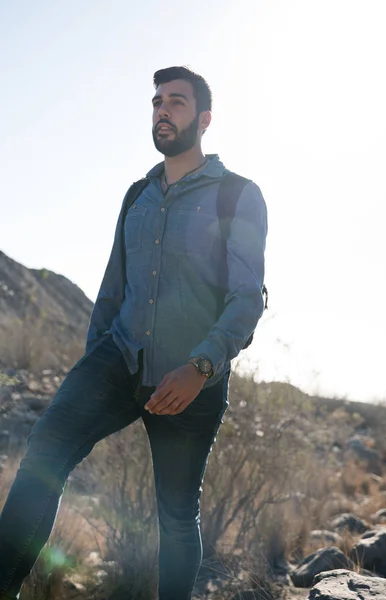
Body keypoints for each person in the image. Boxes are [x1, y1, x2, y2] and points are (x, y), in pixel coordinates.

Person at [0, 66, 267, 600]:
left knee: (175, 512)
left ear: (205, 119)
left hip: (189, 376)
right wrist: (91, 363)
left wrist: (202, 367)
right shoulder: (136, 195)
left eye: (176, 102)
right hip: (117, 360)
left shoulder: (237, 195)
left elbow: (246, 297)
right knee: (45, 449)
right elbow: (113, 289)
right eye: (156, 102)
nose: (161, 111)